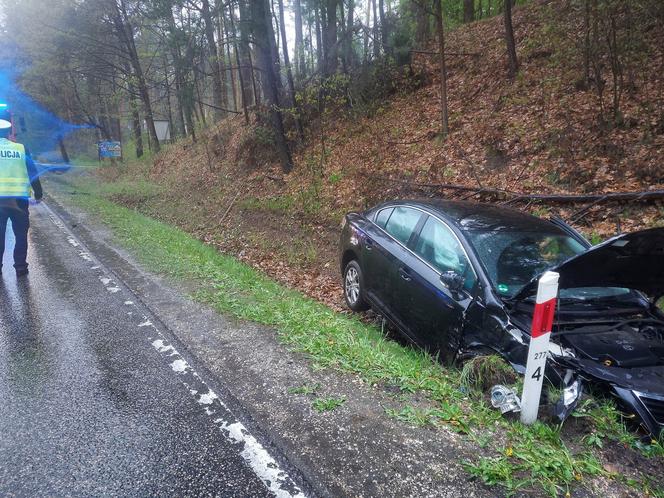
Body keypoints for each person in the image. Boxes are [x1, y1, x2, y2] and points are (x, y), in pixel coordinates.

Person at [0, 110, 42, 277]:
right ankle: (20, 267)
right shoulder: (22, 149)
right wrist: (38, 192)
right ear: (9, 131)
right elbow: (33, 172)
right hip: (19, 200)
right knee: (20, 234)